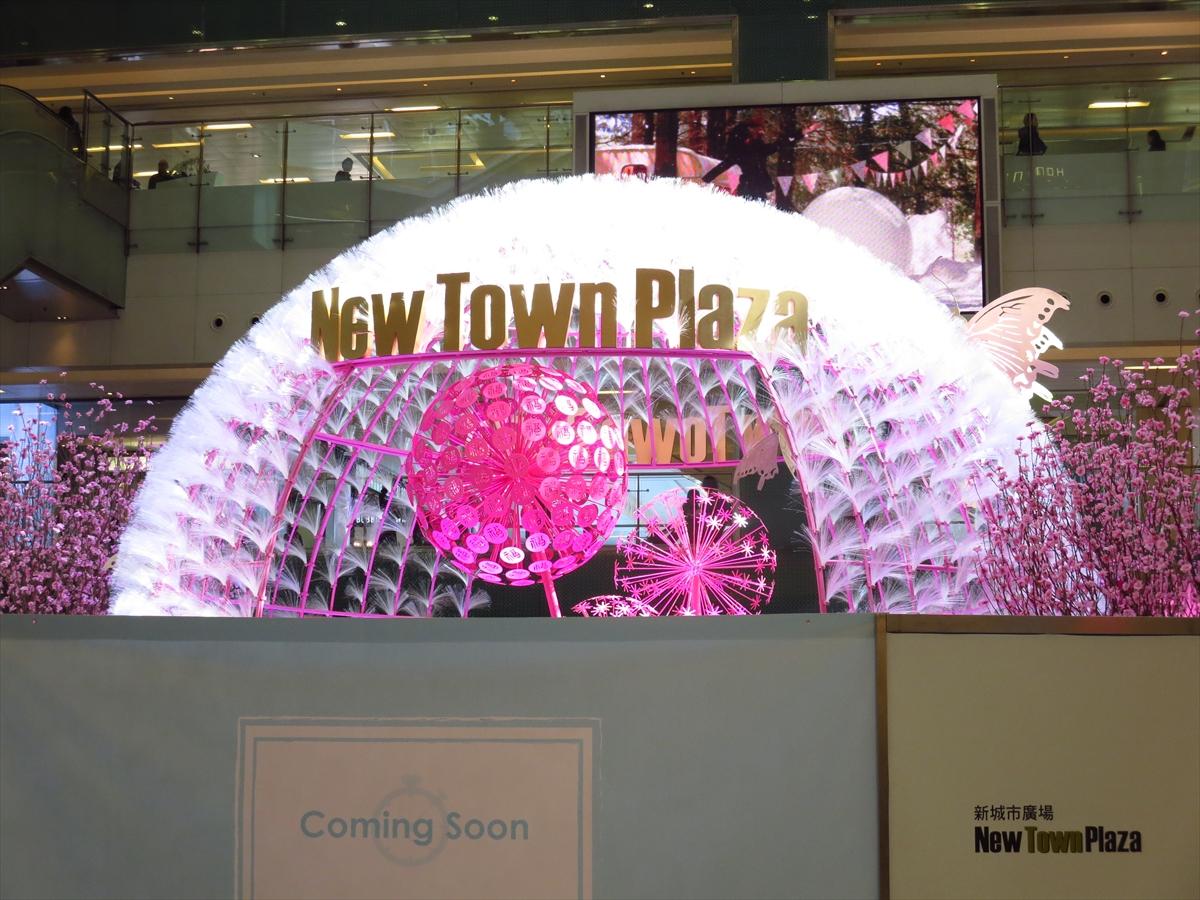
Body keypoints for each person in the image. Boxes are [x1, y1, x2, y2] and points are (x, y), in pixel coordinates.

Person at [702, 117, 792, 200]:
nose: (761, 132)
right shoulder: (742, 150)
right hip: (749, 186)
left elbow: (773, 147)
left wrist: (787, 138)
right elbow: (723, 166)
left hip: (755, 186)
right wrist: (705, 179)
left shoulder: (757, 147)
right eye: (757, 130)